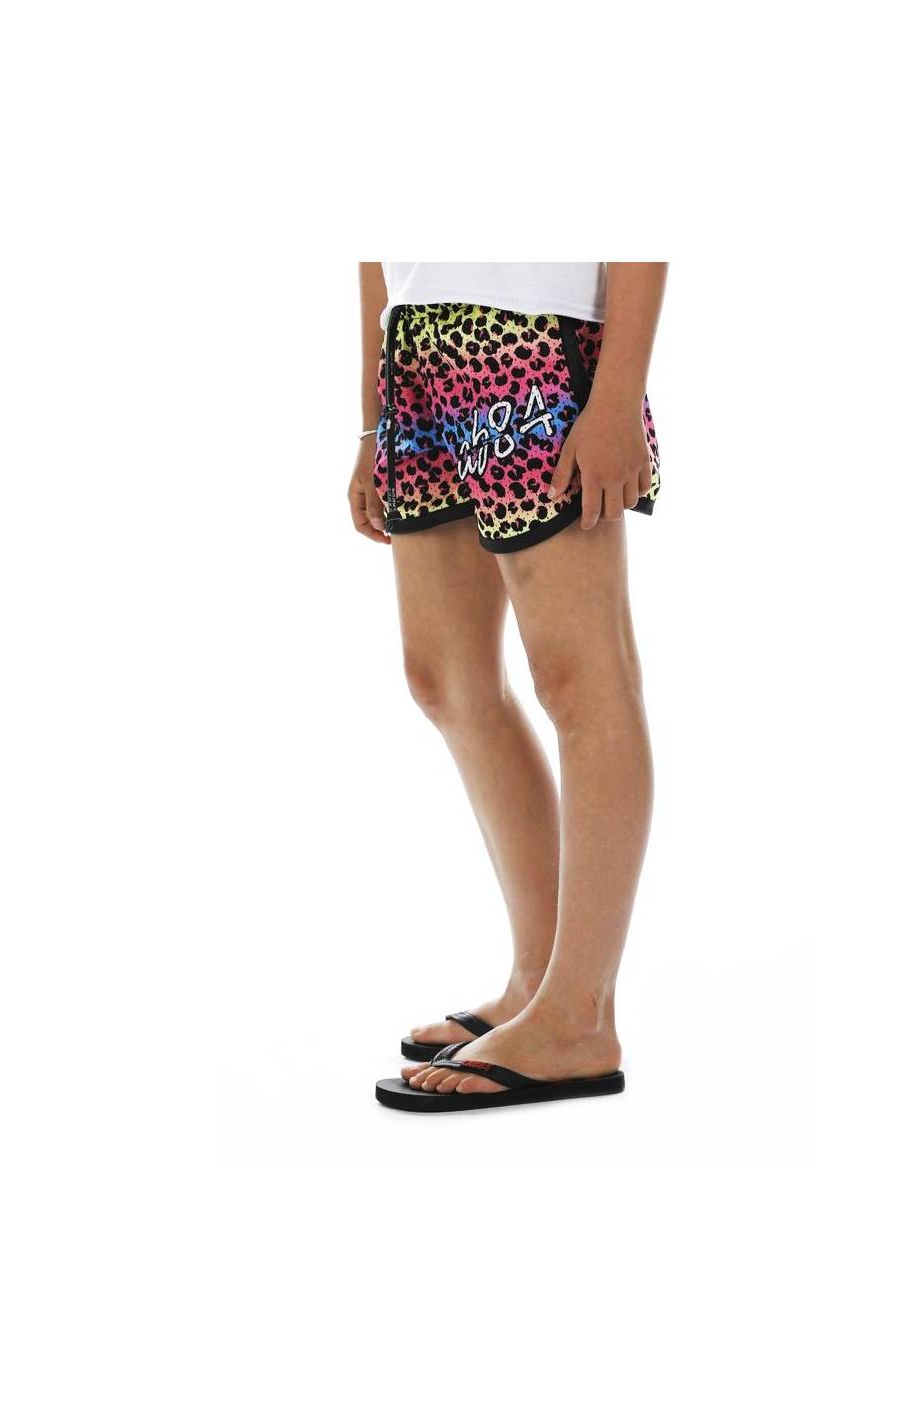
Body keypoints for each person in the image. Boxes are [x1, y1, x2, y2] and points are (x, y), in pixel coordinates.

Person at [350, 262, 667, 1112]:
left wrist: (617, 395)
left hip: (537, 330)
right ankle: (538, 979)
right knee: (444, 677)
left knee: (580, 675)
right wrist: (371, 419)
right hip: (418, 340)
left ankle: (581, 1016)